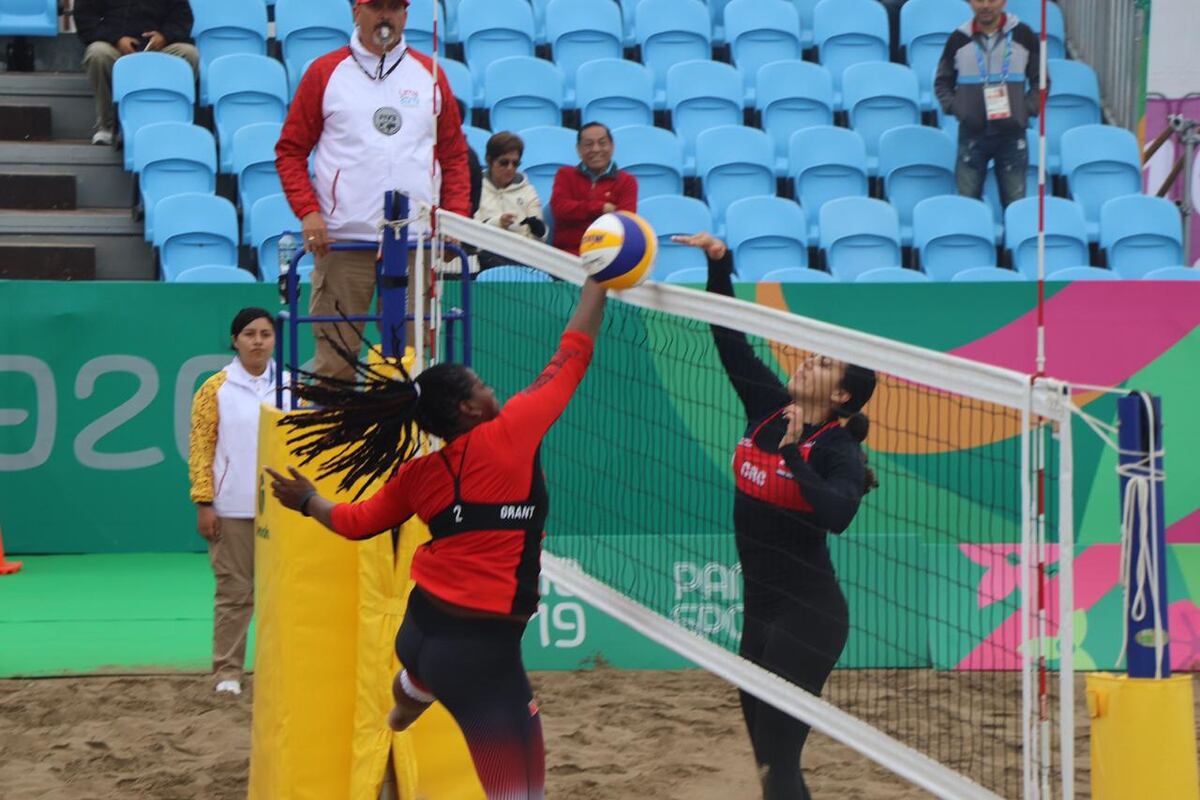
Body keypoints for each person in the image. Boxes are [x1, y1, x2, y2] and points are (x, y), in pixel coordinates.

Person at [265, 279, 609, 799]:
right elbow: (572, 355)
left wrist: (308, 500)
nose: (491, 389)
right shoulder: (512, 431)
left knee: (424, 676)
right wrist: (598, 281)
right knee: (522, 794)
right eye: (481, 385)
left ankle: (408, 698)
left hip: (420, 629)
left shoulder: (418, 475)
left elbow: (355, 523)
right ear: (468, 409)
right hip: (478, 657)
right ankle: (413, 694)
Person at [676, 232, 878, 800]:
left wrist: (792, 454)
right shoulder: (769, 408)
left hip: (810, 618)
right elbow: (728, 337)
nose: (808, 362)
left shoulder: (837, 449)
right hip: (760, 612)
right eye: (812, 356)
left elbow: (838, 514)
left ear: (841, 397)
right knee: (768, 762)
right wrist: (721, 265)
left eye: (823, 364)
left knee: (781, 760)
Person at [275, 0, 471, 383]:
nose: (386, 16)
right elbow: (290, 150)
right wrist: (308, 212)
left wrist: (455, 219)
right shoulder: (325, 72)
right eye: (376, 6)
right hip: (344, 241)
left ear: (406, 15)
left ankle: (410, 442)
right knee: (335, 362)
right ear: (356, 12)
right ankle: (335, 441)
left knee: (413, 364)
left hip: (416, 244)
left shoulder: (429, 72)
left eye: (395, 8)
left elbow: (454, 155)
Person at [188, 308, 280, 696]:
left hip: (284, 510)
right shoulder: (214, 388)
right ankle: (227, 671)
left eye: (265, 333)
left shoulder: (291, 385)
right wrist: (204, 502)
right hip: (232, 507)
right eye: (249, 334)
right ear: (234, 340)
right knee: (234, 593)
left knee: (283, 593)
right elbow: (201, 447)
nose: (258, 341)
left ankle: (279, 668)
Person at [934, 0, 1042, 209]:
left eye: (992, 0)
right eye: (978, 0)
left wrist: (1025, 109)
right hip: (972, 135)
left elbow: (1042, 82)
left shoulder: (1023, 35)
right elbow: (942, 82)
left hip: (1012, 136)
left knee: (1015, 206)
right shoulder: (958, 39)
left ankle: (1014, 242)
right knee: (967, 206)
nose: (985, 5)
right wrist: (959, 109)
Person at [74, 0, 199, 146]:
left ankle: (173, 120)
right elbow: (85, 20)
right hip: (114, 48)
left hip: (159, 50)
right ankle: (107, 126)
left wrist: (164, 36)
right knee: (97, 53)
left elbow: (182, 18)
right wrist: (116, 39)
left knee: (189, 54)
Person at [550, 122, 637, 254]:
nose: (596, 149)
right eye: (588, 144)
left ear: (612, 147)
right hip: (568, 256)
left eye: (602, 143)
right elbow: (560, 209)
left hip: (610, 255)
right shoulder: (565, 175)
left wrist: (578, 212)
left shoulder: (627, 181)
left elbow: (624, 222)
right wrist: (600, 208)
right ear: (578, 150)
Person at [475, 131, 548, 269]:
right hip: (483, 259)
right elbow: (472, 235)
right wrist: (499, 222)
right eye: (504, 163)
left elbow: (540, 240)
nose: (510, 168)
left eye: (515, 163)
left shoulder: (528, 191)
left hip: (523, 260)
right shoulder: (476, 187)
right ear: (489, 160)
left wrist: (539, 230)